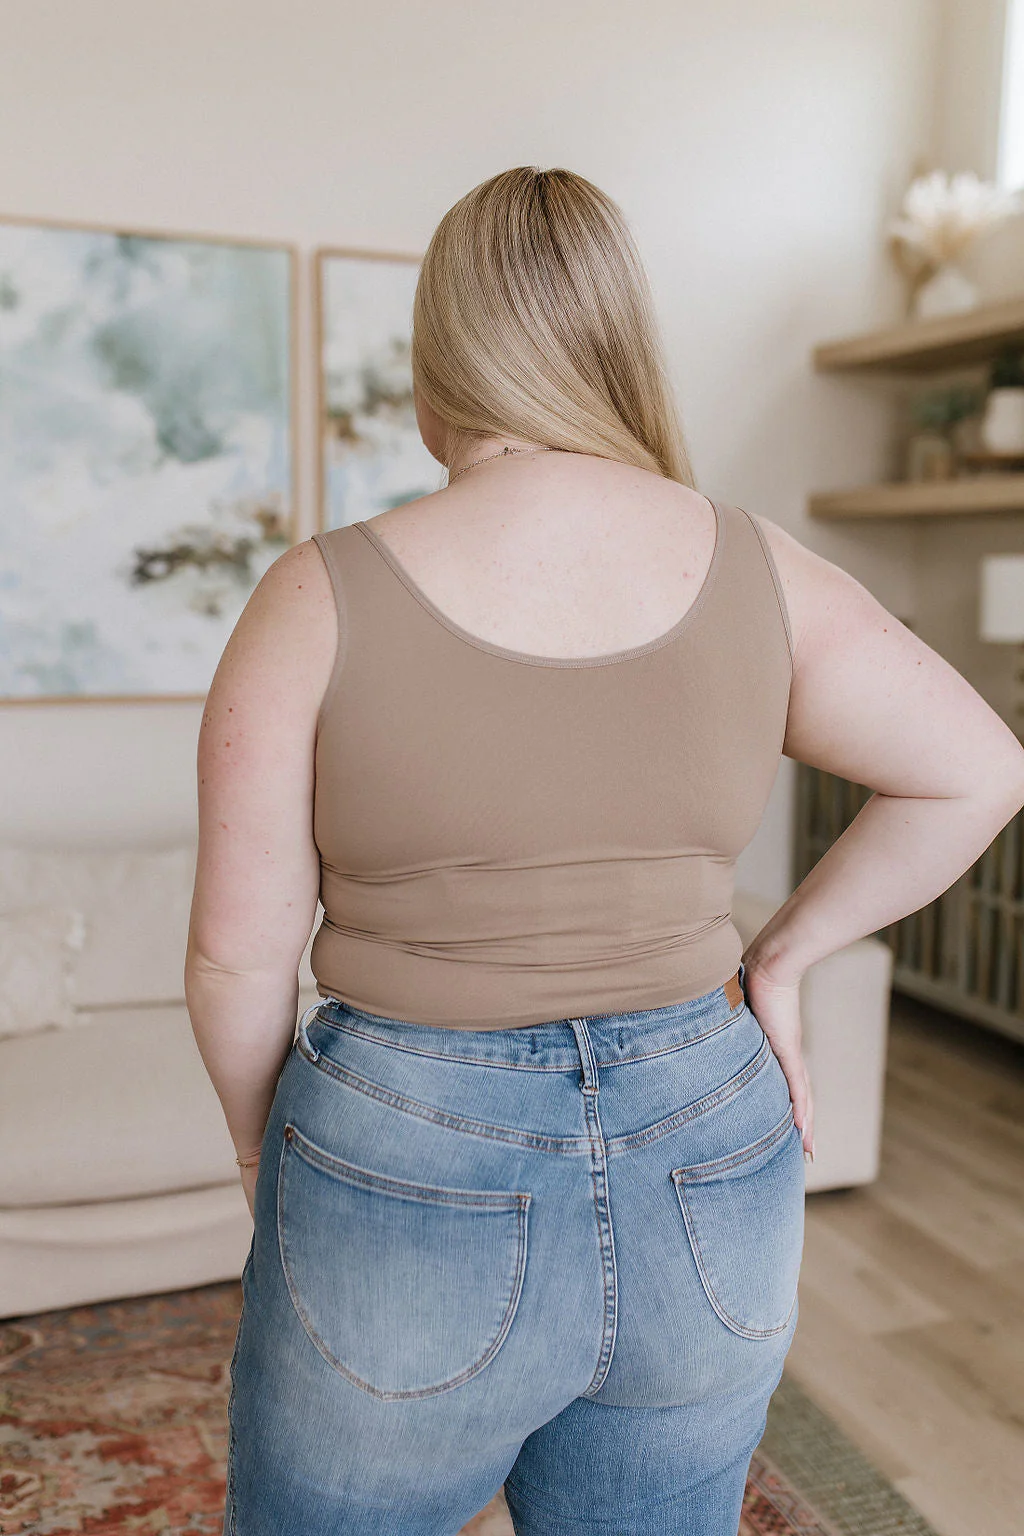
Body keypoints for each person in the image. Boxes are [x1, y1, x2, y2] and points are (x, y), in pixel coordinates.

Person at [185, 166, 1024, 1536]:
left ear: (440, 360)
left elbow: (234, 955)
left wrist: (259, 1156)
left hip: (407, 1133)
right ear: (619, 342)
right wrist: (789, 958)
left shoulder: (317, 592)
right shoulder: (765, 567)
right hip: (711, 1118)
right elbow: (983, 768)